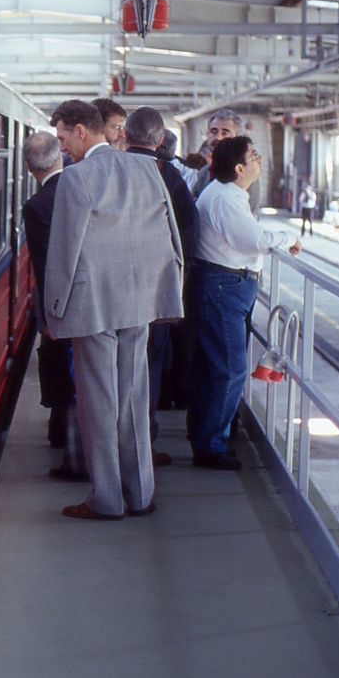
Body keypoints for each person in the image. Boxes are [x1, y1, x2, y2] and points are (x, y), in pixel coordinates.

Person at [44, 100, 183, 520]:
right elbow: (169, 231)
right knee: (134, 398)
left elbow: (64, 252)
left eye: (64, 136)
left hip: (95, 305)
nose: (62, 145)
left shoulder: (76, 178)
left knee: (98, 404)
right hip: (140, 300)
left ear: (83, 131)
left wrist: (54, 311)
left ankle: (106, 499)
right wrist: (167, 286)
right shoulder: (146, 169)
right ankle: (140, 493)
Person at [187, 136, 302, 470]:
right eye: (254, 156)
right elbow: (251, 240)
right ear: (240, 168)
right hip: (223, 286)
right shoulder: (225, 199)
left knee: (213, 368)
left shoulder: (228, 194)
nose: (260, 159)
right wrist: (289, 237)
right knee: (230, 368)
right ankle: (210, 447)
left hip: (223, 285)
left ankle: (206, 437)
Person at [123, 107, 199, 467]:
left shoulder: (107, 171)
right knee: (150, 365)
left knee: (115, 368)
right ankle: (144, 443)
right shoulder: (169, 177)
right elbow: (189, 230)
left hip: (115, 290)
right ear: (159, 141)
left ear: (124, 135)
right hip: (156, 292)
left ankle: (113, 445)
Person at [21, 131, 87, 481]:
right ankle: (64, 438)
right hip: (94, 299)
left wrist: (47, 316)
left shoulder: (37, 206)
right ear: (60, 156)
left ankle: (75, 460)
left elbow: (46, 265)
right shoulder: (83, 187)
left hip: (62, 304)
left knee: (69, 377)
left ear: (30, 167)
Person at [190, 109, 242, 198]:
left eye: (225, 133)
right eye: (213, 132)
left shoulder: (244, 173)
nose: (218, 137)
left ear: (236, 137)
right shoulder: (203, 174)